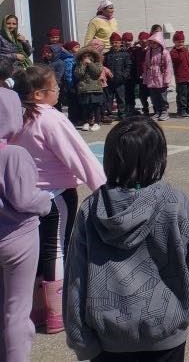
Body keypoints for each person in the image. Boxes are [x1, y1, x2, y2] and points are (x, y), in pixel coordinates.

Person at [63, 117, 189, 361]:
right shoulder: (173, 202)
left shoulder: (91, 209)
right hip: (164, 335)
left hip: (108, 341)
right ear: (159, 157)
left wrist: (80, 339)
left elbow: (76, 278)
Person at [11, 65, 106, 335]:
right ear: (40, 94)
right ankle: (56, 313)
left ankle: (36, 310)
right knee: (56, 249)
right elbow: (79, 155)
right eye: (55, 87)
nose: (60, 90)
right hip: (55, 195)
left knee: (36, 249)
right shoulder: (50, 119)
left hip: (23, 196)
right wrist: (102, 187)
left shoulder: (16, 118)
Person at [0, 86, 52, 361]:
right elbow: (25, 200)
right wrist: (46, 200)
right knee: (18, 311)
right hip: (18, 238)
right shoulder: (14, 154)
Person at [142, 31, 174, 122]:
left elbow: (168, 66)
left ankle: (164, 111)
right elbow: (146, 65)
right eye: (151, 42)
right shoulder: (149, 52)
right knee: (154, 96)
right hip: (151, 78)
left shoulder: (164, 52)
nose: (152, 44)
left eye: (154, 42)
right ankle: (157, 111)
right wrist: (145, 77)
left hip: (161, 77)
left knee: (162, 96)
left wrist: (167, 79)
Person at [74, 45, 105, 131]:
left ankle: (97, 122)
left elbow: (97, 72)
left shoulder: (97, 63)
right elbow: (78, 75)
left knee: (96, 106)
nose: (86, 58)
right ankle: (86, 122)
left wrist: (90, 64)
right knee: (85, 107)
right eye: (84, 56)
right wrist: (83, 65)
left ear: (92, 56)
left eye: (88, 56)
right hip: (84, 89)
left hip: (95, 88)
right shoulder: (79, 64)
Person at [103, 33, 132, 121]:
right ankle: (109, 114)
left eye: (116, 42)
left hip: (120, 81)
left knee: (121, 98)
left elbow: (128, 66)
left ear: (120, 43)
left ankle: (122, 113)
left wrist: (124, 76)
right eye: (112, 42)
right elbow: (104, 67)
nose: (114, 44)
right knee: (109, 98)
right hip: (110, 81)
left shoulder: (125, 54)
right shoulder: (107, 55)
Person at [169, 31, 189, 118]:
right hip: (180, 77)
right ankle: (181, 111)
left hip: (188, 76)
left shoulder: (185, 50)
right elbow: (177, 60)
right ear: (174, 42)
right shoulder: (173, 52)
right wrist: (179, 50)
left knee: (187, 94)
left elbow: (188, 62)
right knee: (181, 95)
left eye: (182, 41)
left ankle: (186, 109)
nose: (181, 43)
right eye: (179, 42)